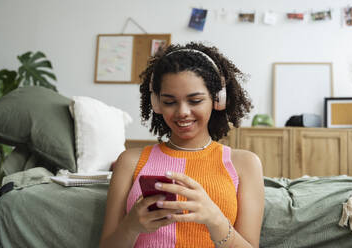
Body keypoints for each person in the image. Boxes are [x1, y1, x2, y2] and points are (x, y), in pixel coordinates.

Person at [99, 42, 264, 248]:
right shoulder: (130, 161)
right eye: (169, 102)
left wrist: (216, 220)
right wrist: (131, 227)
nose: (182, 112)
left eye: (195, 101)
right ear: (156, 103)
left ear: (217, 100)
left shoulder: (245, 164)